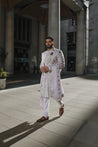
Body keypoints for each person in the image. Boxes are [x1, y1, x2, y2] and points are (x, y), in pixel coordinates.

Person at [37, 36, 65, 122]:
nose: (48, 43)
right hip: (45, 77)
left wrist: (49, 68)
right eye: (46, 42)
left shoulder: (58, 52)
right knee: (45, 95)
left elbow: (62, 65)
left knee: (55, 95)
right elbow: (42, 64)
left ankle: (61, 105)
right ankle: (45, 115)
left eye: (49, 42)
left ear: (53, 42)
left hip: (53, 78)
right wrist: (42, 68)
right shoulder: (44, 53)